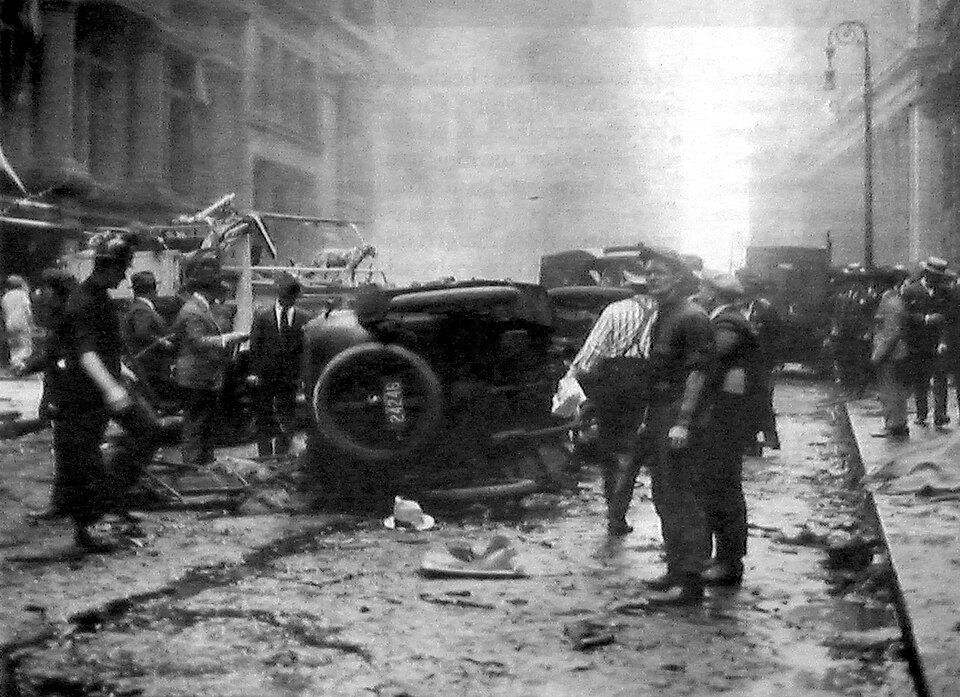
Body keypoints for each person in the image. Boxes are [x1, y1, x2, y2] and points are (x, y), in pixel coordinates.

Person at [50, 234, 165, 550]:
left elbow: (101, 347)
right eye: (122, 269)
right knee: (86, 458)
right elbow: (86, 353)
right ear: (110, 266)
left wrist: (120, 371)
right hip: (85, 394)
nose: (125, 277)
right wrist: (112, 388)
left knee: (146, 432)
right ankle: (88, 525)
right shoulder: (83, 302)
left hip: (99, 387)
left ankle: (107, 502)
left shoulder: (98, 297)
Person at [636, 248, 715, 607]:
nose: (652, 278)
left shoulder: (692, 317)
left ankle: (692, 582)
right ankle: (675, 569)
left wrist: (683, 422)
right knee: (664, 495)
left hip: (681, 416)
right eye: (649, 272)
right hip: (661, 412)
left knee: (684, 498)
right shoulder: (666, 314)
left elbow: (697, 375)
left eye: (661, 272)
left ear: (679, 278)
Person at [566, 266, 657, 536]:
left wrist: (573, 376)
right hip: (650, 385)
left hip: (615, 386)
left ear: (628, 283)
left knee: (610, 451)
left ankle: (615, 515)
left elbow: (591, 353)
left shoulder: (615, 310)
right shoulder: (665, 312)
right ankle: (621, 510)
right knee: (636, 451)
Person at [697, 271, 763, 586]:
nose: (699, 292)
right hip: (728, 417)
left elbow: (710, 360)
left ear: (714, 293)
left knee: (722, 488)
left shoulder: (727, 324)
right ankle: (724, 557)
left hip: (726, 420)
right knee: (718, 486)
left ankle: (729, 561)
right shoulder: (730, 320)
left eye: (702, 288)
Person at [173, 251, 248, 467]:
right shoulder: (192, 311)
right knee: (196, 423)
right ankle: (193, 465)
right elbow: (199, 342)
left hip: (203, 377)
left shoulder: (200, 309)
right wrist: (228, 338)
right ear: (206, 291)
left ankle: (204, 463)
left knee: (204, 422)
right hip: (195, 378)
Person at [248, 273, 311, 457]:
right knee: (264, 415)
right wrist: (254, 372)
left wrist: (303, 375)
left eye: (291, 297)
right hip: (265, 375)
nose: (287, 301)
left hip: (290, 377)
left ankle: (282, 454)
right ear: (279, 295)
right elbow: (255, 346)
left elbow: (305, 349)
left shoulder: (304, 318)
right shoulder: (262, 316)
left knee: (287, 415)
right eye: (285, 296)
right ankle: (265, 456)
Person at [901, 257, 953, 428]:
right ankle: (921, 413)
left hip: (938, 343)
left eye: (939, 277)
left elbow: (949, 318)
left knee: (940, 378)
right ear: (926, 273)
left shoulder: (945, 292)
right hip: (917, 343)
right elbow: (905, 315)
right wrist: (925, 319)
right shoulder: (910, 291)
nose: (935, 280)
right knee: (920, 379)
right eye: (933, 275)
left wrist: (944, 340)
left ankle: (940, 414)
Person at [739, 270, 781, 453]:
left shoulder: (765, 309)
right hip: (741, 363)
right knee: (742, 401)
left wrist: (774, 362)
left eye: (748, 288)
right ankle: (747, 440)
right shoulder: (734, 308)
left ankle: (765, 437)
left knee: (761, 400)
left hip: (761, 363)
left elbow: (776, 335)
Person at [122, 271, 175, 405]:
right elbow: (142, 332)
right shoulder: (142, 310)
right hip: (148, 365)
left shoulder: (137, 307)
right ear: (153, 290)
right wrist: (162, 341)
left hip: (146, 364)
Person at [870, 271, 911, 439]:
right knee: (895, 390)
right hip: (894, 352)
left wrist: (878, 355)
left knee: (890, 391)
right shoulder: (893, 300)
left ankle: (894, 425)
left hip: (890, 354)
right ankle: (897, 423)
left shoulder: (891, 303)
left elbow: (891, 333)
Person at [2, 274, 34, 370]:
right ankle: (21, 366)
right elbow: (27, 310)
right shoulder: (22, 295)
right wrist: (31, 322)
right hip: (22, 322)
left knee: (14, 346)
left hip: (9, 323)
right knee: (24, 345)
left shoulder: (5, 296)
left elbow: (4, 312)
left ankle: (14, 363)